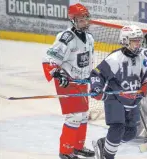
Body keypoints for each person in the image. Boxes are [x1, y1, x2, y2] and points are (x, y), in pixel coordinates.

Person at [89, 25, 147, 159]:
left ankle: (104, 143)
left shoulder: (146, 55)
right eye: (134, 40)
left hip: (134, 98)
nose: (138, 43)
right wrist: (97, 87)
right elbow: (97, 74)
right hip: (115, 97)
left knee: (131, 133)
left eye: (139, 40)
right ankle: (107, 156)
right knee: (117, 128)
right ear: (125, 40)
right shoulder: (115, 58)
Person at [42, 3, 95, 159]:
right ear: (73, 20)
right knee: (74, 116)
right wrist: (58, 75)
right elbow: (49, 58)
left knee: (84, 115)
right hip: (67, 81)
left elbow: (88, 60)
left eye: (86, 18)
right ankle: (65, 151)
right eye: (81, 19)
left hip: (82, 81)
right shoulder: (66, 37)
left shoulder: (90, 38)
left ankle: (78, 146)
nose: (85, 21)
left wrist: (91, 75)